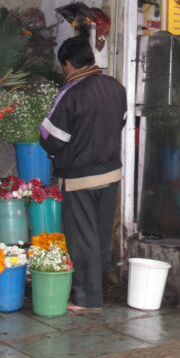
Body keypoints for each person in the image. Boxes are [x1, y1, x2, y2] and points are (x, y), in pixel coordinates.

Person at [40, 36, 127, 311]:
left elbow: (51, 138)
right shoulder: (115, 87)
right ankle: (96, 291)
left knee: (82, 239)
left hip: (79, 176)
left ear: (67, 64)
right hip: (110, 173)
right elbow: (121, 121)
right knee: (99, 236)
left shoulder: (71, 93)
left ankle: (86, 300)